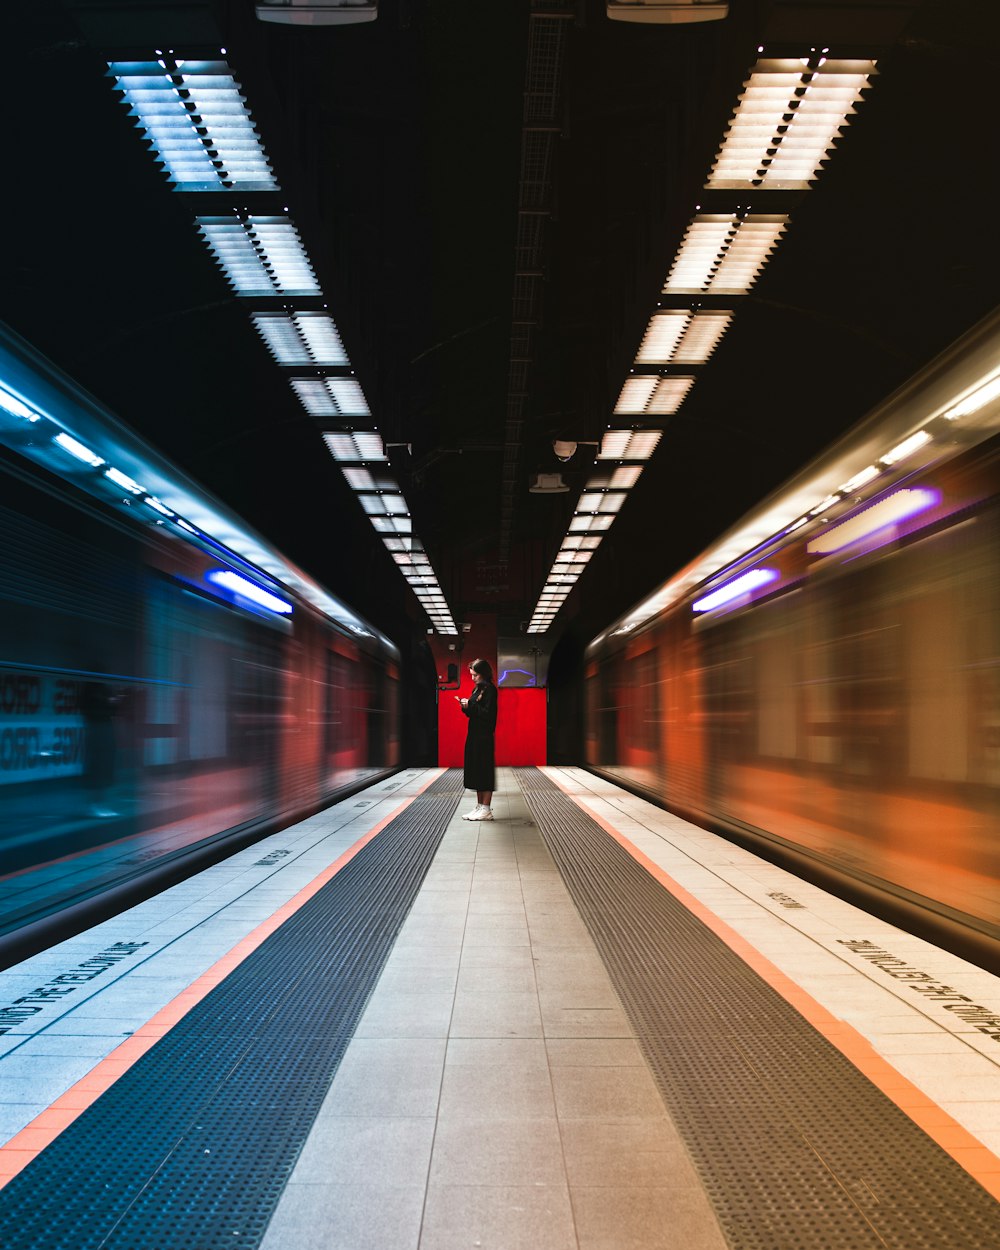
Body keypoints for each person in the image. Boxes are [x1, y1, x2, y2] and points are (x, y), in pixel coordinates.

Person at [456, 657, 497, 821]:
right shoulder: (477, 689)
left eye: (475, 675)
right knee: (477, 770)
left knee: (484, 771)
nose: (473, 678)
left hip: (484, 736)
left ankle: (486, 808)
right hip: (474, 734)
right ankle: (480, 807)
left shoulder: (490, 690)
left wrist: (470, 706)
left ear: (484, 674)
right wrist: (465, 707)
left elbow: (488, 714)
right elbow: (475, 711)